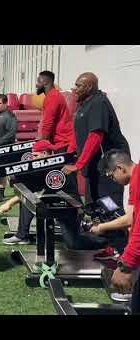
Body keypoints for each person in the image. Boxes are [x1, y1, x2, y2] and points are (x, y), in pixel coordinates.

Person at [62, 72, 130, 259]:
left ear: (90, 87)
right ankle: (112, 246)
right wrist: (69, 156)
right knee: (98, 206)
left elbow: (95, 136)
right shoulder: (84, 104)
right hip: (96, 166)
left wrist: (79, 164)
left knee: (110, 206)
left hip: (111, 166)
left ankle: (124, 251)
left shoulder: (99, 103)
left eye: (79, 85)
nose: (74, 89)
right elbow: (77, 135)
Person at [0, 140, 106, 251]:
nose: (32, 159)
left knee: (74, 244)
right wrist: (9, 203)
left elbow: (40, 191)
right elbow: (31, 191)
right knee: (28, 199)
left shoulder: (57, 168)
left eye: (35, 155)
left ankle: (105, 242)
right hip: (55, 203)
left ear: (45, 154)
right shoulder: (45, 167)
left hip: (70, 208)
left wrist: (9, 203)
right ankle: (22, 235)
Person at [97, 149, 140, 309]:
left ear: (120, 168)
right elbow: (132, 219)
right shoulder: (135, 180)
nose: (112, 179)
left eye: (111, 175)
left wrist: (125, 266)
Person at [35, 70, 74, 151]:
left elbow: (47, 124)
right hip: (60, 141)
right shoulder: (53, 95)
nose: (36, 85)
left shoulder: (52, 97)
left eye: (38, 81)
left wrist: (42, 146)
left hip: (62, 142)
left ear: (45, 82)